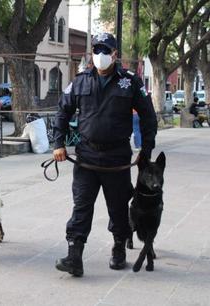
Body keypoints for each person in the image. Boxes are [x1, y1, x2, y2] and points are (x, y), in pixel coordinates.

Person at [52, 33, 157, 277]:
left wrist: (146, 151)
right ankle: (74, 255)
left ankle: (119, 246)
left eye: (105, 50)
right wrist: (58, 143)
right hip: (86, 157)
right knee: (81, 207)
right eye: (96, 49)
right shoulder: (80, 81)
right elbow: (62, 112)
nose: (100, 55)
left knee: (118, 208)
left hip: (117, 158)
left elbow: (148, 116)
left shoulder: (130, 82)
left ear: (115, 54)